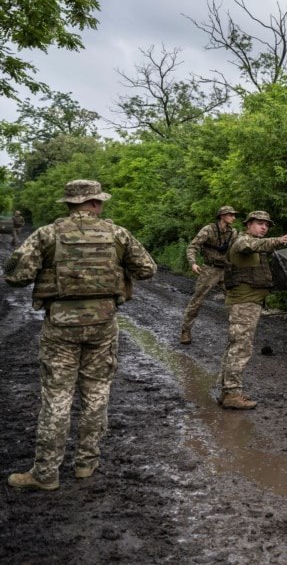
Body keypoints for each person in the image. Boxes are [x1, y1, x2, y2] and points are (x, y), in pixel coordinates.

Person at [4, 179, 157, 490]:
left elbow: (15, 277)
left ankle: (46, 474)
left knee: (57, 397)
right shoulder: (117, 234)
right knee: (96, 394)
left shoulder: (47, 234)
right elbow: (148, 269)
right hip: (103, 325)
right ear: (96, 203)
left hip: (61, 326)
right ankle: (86, 463)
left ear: (69, 204)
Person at [219, 210, 287, 410]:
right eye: (260, 223)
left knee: (236, 346)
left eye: (266, 225)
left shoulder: (254, 245)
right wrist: (277, 240)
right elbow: (248, 245)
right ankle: (232, 394)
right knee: (241, 348)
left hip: (249, 302)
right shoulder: (242, 241)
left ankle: (229, 392)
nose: (264, 227)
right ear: (249, 224)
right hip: (243, 303)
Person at [179, 206, 239, 345]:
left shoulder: (233, 232)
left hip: (226, 270)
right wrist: (193, 263)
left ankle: (235, 335)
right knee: (197, 301)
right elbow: (192, 247)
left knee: (233, 303)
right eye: (231, 215)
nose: (234, 218)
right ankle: (185, 330)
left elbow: (237, 250)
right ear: (222, 216)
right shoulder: (209, 229)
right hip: (209, 269)